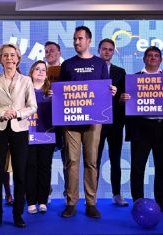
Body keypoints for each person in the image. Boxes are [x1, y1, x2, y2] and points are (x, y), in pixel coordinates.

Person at [59, 26, 116, 219]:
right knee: (72, 161)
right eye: (74, 39)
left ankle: (91, 202)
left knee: (91, 161)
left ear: (89, 41)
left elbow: (104, 90)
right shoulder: (67, 65)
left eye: (80, 39)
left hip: (94, 121)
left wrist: (112, 91)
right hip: (72, 121)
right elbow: (62, 93)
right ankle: (71, 202)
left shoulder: (100, 64)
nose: (76, 42)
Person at [0, 43, 37, 228]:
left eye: (12, 55)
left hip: (19, 130)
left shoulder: (26, 81)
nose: (9, 58)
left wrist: (17, 113)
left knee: (20, 175)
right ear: (0, 59)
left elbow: (32, 106)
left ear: (18, 58)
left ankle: (17, 215)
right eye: (5, 55)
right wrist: (2, 113)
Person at [121, 46, 163, 212]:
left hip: (161, 127)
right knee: (138, 167)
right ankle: (138, 202)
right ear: (144, 59)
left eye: (156, 56)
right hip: (141, 128)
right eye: (150, 56)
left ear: (160, 60)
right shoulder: (133, 79)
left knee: (162, 167)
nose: (153, 58)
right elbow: (122, 102)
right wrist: (122, 99)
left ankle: (161, 203)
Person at [96, 38, 128, 206]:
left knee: (115, 159)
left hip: (115, 122)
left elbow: (124, 97)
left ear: (113, 52)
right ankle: (91, 196)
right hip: (96, 123)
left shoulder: (120, 71)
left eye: (110, 49)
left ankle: (116, 194)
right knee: (94, 159)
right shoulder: (91, 69)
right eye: (104, 49)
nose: (107, 52)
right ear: (98, 50)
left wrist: (121, 97)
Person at [25, 60, 55, 214]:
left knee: (44, 168)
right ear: (31, 72)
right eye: (37, 69)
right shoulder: (24, 91)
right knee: (30, 168)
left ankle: (42, 201)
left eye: (44, 69)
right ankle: (31, 202)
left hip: (47, 135)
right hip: (28, 135)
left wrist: (55, 99)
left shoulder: (52, 92)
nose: (41, 72)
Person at [44, 41, 66, 203]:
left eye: (52, 50)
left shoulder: (68, 68)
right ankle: (46, 192)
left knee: (68, 159)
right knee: (46, 159)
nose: (49, 53)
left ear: (59, 52)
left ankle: (69, 194)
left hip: (65, 119)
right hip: (46, 118)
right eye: (46, 51)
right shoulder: (39, 70)